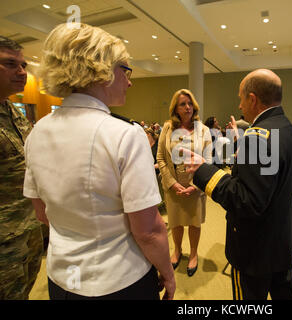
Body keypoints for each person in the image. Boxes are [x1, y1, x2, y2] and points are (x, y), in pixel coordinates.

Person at [22, 23, 174, 300]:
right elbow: (149, 230)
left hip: (61, 277)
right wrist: (167, 272)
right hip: (119, 280)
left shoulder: (37, 133)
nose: (130, 81)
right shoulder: (126, 135)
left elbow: (42, 213)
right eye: (126, 70)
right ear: (101, 70)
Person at [184, 69, 292, 300]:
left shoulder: (257, 136)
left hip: (254, 249)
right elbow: (270, 181)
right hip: (281, 240)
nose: (239, 106)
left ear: (252, 98)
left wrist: (204, 172)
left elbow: (246, 201)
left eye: (240, 98)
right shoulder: (285, 128)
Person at [0, 36, 44, 300]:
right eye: (10, 64)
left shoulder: (14, 112)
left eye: (24, 64)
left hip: (28, 227)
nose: (22, 72)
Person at [156, 89, 212, 277]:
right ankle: (177, 250)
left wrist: (195, 186)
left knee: (194, 223)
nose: (187, 107)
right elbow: (161, 158)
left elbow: (208, 160)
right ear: (176, 108)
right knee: (176, 222)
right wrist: (172, 183)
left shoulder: (203, 130)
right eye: (182, 104)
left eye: (190, 103)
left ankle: (194, 254)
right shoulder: (167, 128)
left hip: (195, 188)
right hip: (173, 188)